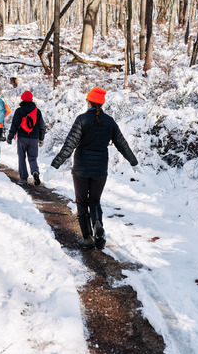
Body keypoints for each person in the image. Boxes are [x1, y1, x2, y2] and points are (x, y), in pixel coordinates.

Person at [47, 87, 141, 250]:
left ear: (89, 101)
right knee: (95, 201)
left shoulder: (82, 120)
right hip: (100, 170)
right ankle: (97, 224)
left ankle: (88, 238)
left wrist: (54, 166)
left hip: (81, 169)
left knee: (82, 203)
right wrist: (134, 162)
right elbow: (122, 145)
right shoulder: (110, 122)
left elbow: (69, 146)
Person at [7, 90, 46, 185]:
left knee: (21, 157)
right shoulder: (37, 112)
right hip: (34, 138)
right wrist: (41, 138)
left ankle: (24, 177)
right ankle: (35, 172)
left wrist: (10, 137)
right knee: (32, 158)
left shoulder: (19, 111)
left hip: (22, 138)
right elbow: (41, 126)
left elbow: (14, 125)